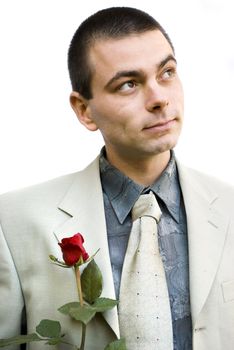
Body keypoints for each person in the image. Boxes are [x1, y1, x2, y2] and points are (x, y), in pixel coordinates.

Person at [0, 6, 234, 350]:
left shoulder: (228, 208)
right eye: (128, 84)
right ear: (84, 110)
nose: (159, 99)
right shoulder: (14, 222)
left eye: (167, 72)